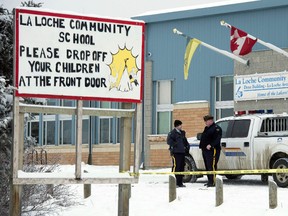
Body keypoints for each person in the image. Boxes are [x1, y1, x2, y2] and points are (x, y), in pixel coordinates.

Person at [199, 115, 222, 187]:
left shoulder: (216, 128)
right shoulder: (207, 128)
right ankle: (210, 181)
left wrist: (211, 145)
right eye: (205, 121)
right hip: (205, 150)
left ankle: (213, 181)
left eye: (206, 121)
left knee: (212, 165)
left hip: (212, 150)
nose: (205, 123)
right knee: (207, 165)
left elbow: (217, 139)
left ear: (211, 120)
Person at [167, 120, 190, 187]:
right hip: (176, 152)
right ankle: (174, 182)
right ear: (177, 125)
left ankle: (180, 182)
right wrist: (176, 144)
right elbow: (169, 141)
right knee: (176, 166)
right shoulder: (172, 133)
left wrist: (187, 147)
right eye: (180, 125)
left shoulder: (182, 133)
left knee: (181, 166)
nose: (181, 126)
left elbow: (185, 141)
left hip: (182, 152)